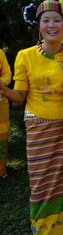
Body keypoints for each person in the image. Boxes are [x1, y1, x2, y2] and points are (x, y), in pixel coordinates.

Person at [0, 0, 63, 235]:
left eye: (57, 20)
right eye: (46, 20)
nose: (52, 25)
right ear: (38, 25)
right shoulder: (25, 55)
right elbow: (19, 96)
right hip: (39, 127)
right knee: (41, 183)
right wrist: (2, 88)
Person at [0, 49, 11, 178]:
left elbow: (7, 73)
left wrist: (2, 82)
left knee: (2, 134)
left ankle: (1, 170)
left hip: (1, 99)